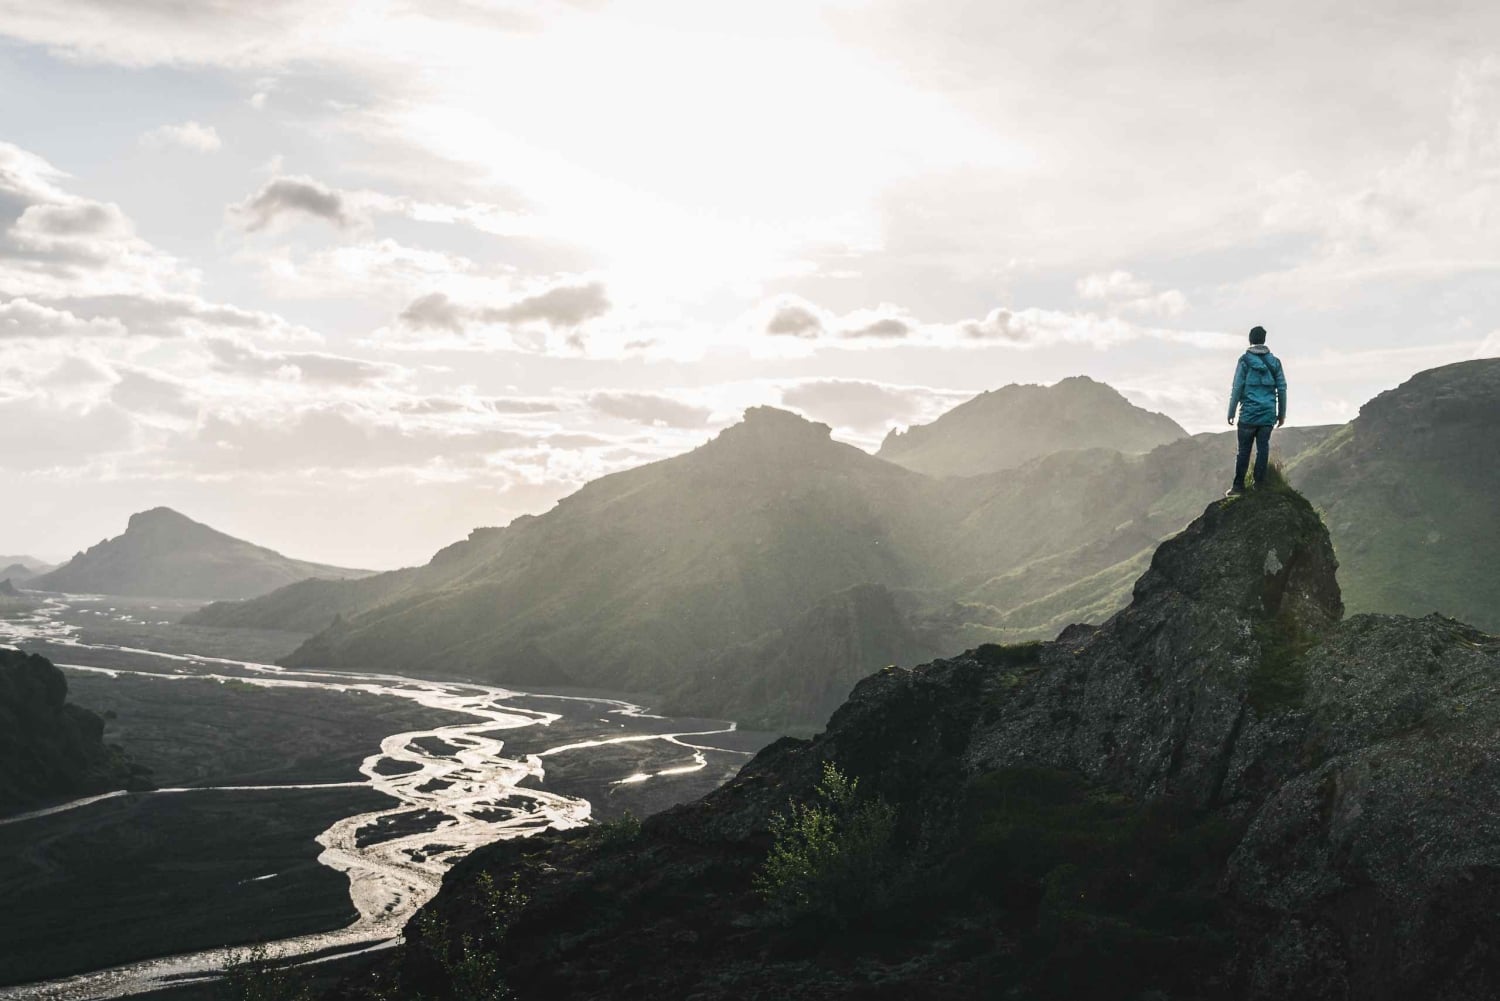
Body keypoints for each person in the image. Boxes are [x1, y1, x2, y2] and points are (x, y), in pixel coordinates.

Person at [1226, 325, 1286, 496]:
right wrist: (1281, 414)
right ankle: (1259, 485)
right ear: (1264, 340)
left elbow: (1237, 387)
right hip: (1267, 414)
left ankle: (1238, 487)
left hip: (1248, 415)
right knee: (1263, 448)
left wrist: (1231, 411)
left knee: (1243, 450)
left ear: (1250, 340)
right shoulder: (1275, 362)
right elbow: (1282, 388)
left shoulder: (1244, 361)